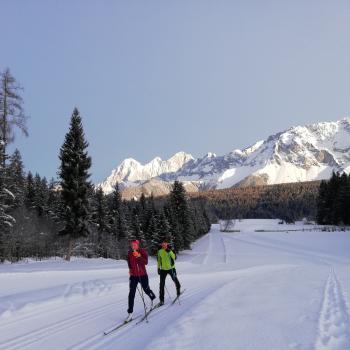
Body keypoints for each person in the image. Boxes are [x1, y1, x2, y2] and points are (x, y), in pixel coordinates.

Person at [126, 239, 156, 321]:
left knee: (146, 290)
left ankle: (152, 298)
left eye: (134, 245)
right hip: (133, 276)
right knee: (131, 294)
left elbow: (145, 262)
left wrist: (139, 256)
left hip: (142, 275)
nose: (133, 246)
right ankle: (130, 313)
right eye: (132, 245)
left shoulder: (142, 251)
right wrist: (130, 269)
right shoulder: (129, 253)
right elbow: (129, 262)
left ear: (138, 245)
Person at [157, 239, 181, 305]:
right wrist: (158, 268)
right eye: (162, 243)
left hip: (171, 268)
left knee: (175, 280)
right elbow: (159, 260)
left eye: (165, 243)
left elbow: (174, 257)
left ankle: (178, 289)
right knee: (161, 285)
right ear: (161, 244)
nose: (164, 244)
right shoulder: (159, 251)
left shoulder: (170, 249)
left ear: (167, 243)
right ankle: (161, 300)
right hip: (163, 270)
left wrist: (169, 251)